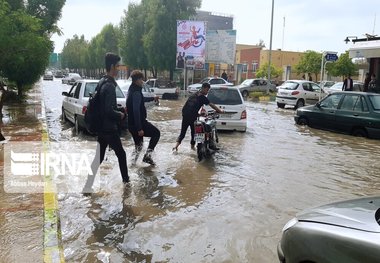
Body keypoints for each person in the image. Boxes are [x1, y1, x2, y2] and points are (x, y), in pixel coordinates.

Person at [84, 53, 129, 192]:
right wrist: (120, 114)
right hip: (109, 129)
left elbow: (105, 107)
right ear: (111, 67)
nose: (118, 69)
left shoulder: (102, 81)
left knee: (99, 157)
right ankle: (127, 186)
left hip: (101, 128)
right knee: (121, 155)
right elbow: (108, 111)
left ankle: (87, 186)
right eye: (117, 66)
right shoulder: (109, 86)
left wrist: (117, 109)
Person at [173, 83, 224, 151]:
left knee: (183, 133)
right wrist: (220, 111)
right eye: (207, 90)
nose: (207, 92)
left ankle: (176, 146)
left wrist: (199, 114)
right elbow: (211, 105)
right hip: (192, 117)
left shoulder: (194, 94)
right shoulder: (202, 97)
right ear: (203, 88)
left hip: (185, 115)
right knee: (193, 133)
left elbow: (190, 107)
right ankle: (192, 147)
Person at [127, 70, 160, 165]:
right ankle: (147, 157)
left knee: (139, 146)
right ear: (137, 80)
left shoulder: (132, 89)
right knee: (156, 133)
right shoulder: (136, 92)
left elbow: (141, 100)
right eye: (141, 79)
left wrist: (152, 98)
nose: (143, 81)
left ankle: (132, 165)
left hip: (131, 124)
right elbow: (136, 111)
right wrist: (139, 128)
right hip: (138, 124)